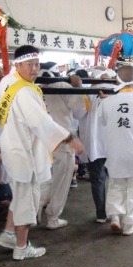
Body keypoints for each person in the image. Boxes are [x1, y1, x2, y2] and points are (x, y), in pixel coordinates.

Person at [0, 45, 84, 260]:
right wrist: (71, 139)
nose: (34, 69)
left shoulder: (7, 81)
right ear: (18, 65)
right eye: (29, 65)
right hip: (24, 151)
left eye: (37, 64)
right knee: (27, 200)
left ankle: (8, 234)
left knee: (20, 194)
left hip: (12, 144)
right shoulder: (24, 91)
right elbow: (42, 122)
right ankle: (22, 247)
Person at [99, 65, 133, 236]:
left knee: (116, 185)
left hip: (115, 152)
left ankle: (115, 217)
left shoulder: (107, 102)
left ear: (117, 79)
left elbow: (104, 122)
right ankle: (130, 225)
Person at [38, 63, 86, 229]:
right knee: (61, 181)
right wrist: (78, 88)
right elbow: (80, 112)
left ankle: (35, 209)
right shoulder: (63, 86)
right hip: (63, 141)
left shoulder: (34, 88)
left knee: (44, 178)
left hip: (41, 141)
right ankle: (52, 218)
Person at [77, 67, 113, 223]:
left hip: (94, 145)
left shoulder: (87, 94)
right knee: (115, 180)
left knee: (98, 179)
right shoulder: (115, 94)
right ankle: (115, 214)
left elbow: (77, 114)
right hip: (113, 144)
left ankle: (101, 214)